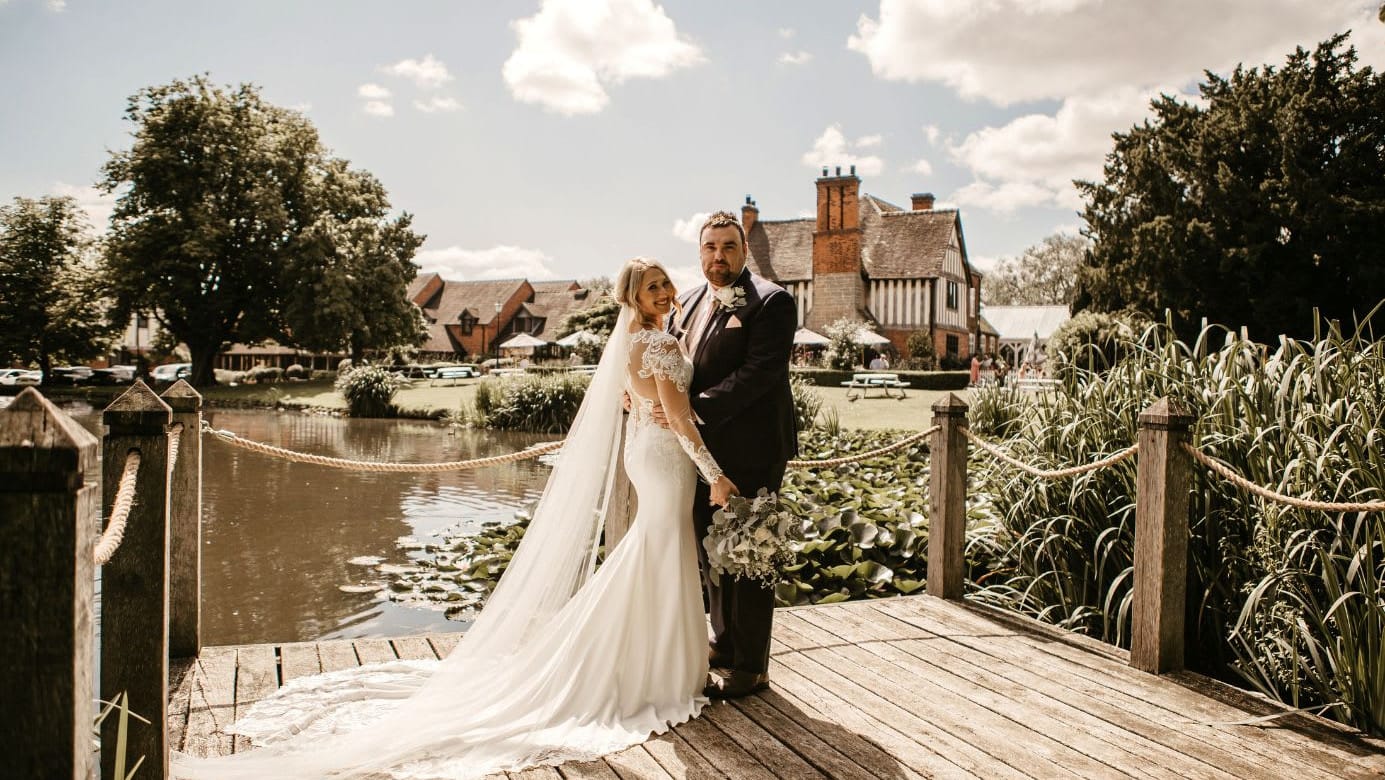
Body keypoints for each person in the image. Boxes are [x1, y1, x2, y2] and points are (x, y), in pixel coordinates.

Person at [172, 257, 737, 779]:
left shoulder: (635, 341)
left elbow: (629, 399)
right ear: (633, 298)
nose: (665, 291)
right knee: (658, 549)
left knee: (652, 550)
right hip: (666, 458)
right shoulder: (657, 343)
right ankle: (650, 668)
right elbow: (683, 422)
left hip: (647, 452)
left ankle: (644, 658)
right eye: (652, 287)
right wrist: (714, 472)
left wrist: (649, 411)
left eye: (666, 283)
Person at [657, 210, 797, 699]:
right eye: (710, 247)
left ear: (743, 251)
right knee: (710, 550)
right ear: (699, 252)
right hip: (702, 455)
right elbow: (671, 364)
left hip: (754, 449)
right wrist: (652, 399)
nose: (719, 256)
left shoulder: (773, 302)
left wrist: (689, 411)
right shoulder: (688, 302)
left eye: (729, 247)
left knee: (749, 553)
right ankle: (723, 641)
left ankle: (751, 666)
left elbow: (759, 375)